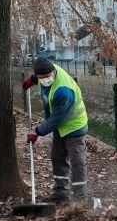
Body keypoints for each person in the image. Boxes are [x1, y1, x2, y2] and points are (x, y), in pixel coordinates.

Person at [22, 57, 89, 202]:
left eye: (47, 77)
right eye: (41, 78)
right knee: (58, 159)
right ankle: (61, 193)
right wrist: (32, 80)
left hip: (74, 127)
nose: (45, 79)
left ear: (53, 72)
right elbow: (40, 75)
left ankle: (80, 198)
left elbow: (57, 119)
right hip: (60, 128)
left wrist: (37, 132)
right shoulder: (46, 72)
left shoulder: (63, 92)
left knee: (77, 162)